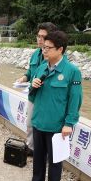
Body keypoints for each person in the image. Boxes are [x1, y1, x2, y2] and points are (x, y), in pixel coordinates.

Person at [21, 30, 82, 181]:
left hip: (57, 124)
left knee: (55, 159)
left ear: (60, 49)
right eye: (43, 47)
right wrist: (32, 86)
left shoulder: (72, 72)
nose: (44, 50)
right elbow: (31, 95)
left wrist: (69, 123)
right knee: (38, 155)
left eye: (48, 48)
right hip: (39, 120)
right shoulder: (41, 67)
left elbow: (75, 100)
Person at [15, 22, 58, 154]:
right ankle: (31, 147)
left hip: (46, 99)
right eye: (38, 36)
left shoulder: (55, 58)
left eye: (43, 37)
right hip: (33, 95)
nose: (39, 39)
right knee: (30, 124)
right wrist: (23, 78)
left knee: (43, 127)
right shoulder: (35, 54)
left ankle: (42, 152)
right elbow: (30, 72)